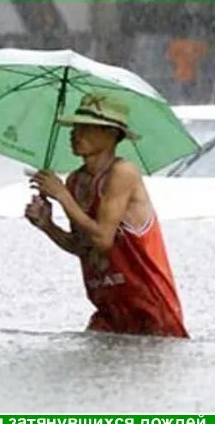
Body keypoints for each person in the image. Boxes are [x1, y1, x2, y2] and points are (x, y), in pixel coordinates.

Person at [24, 93, 190, 339]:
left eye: (87, 127)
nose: (75, 133)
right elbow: (84, 247)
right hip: (108, 308)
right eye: (75, 126)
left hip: (148, 306)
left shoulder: (123, 173)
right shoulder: (75, 181)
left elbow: (103, 238)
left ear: (112, 134)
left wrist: (62, 196)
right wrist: (47, 226)